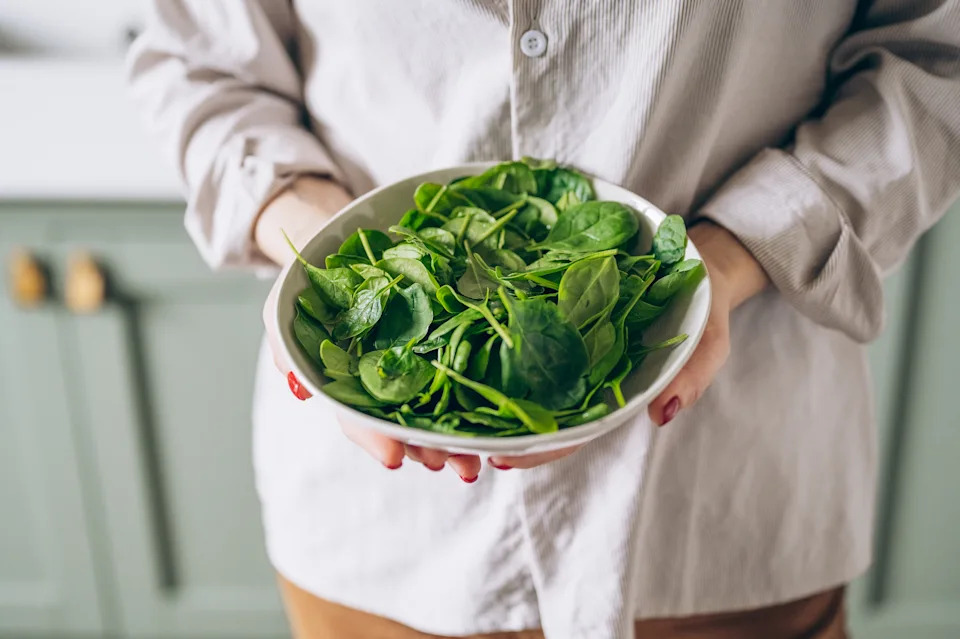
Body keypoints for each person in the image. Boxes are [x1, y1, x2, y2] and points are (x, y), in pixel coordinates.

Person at [127, 2, 960, 637]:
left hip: (725, 518)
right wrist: (324, 254)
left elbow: (933, 61)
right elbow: (199, 64)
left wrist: (731, 255)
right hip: (383, 542)